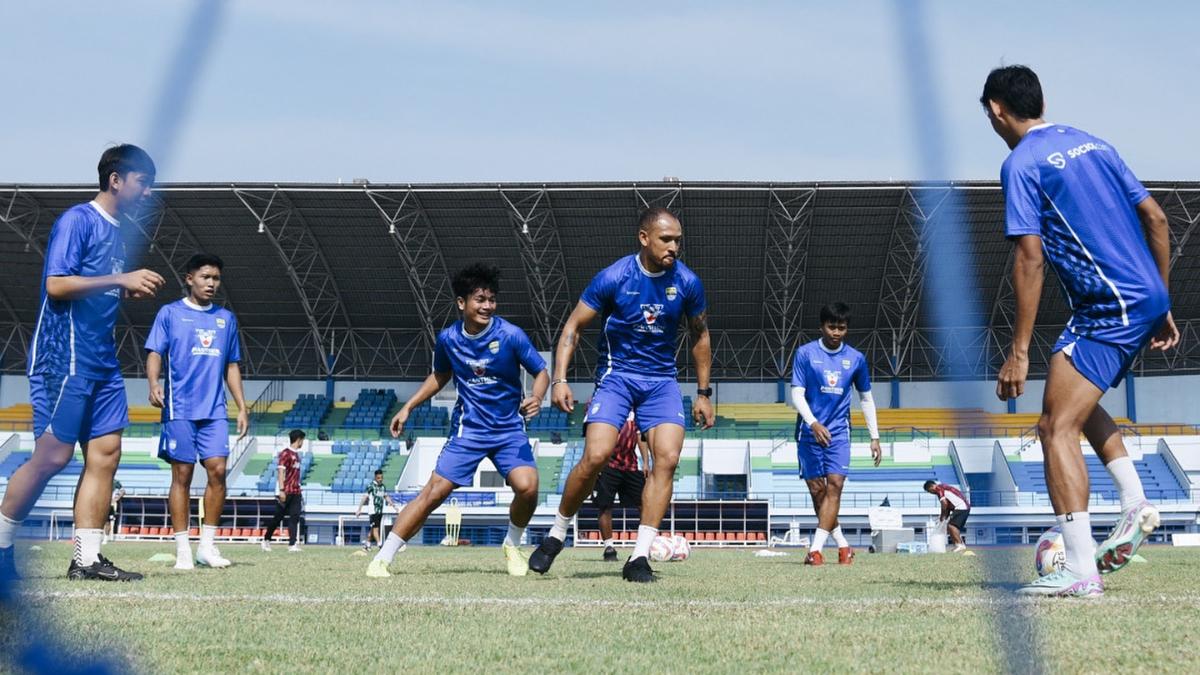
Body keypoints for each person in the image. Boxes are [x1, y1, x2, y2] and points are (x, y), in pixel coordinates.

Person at [983, 65, 1178, 597]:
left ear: (997, 109)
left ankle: (1079, 568)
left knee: (1054, 428)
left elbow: (1030, 260)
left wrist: (1018, 351)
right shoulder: (1095, 144)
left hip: (1105, 308)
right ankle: (1135, 502)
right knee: (1075, 400)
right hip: (1137, 299)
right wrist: (1159, 300)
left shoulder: (1021, 163)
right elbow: (1157, 220)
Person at [0, 144, 165, 582]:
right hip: (64, 358)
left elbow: (90, 286)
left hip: (102, 361)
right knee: (52, 458)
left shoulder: (118, 231)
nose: (148, 192)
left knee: (107, 454)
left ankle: (87, 559)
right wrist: (119, 278)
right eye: (142, 182)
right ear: (116, 179)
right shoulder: (78, 220)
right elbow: (56, 284)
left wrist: (119, 290)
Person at [529, 207, 714, 583]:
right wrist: (561, 379)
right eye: (666, 239)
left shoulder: (688, 283)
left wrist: (704, 392)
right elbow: (573, 326)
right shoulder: (614, 277)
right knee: (596, 455)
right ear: (644, 238)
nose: (674, 247)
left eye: (678, 239)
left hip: (661, 381)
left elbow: (700, 336)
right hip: (617, 378)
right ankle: (556, 534)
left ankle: (639, 557)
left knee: (668, 458)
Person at [367, 263, 549, 578]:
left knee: (528, 487)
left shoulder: (510, 335)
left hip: (508, 429)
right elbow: (440, 375)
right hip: (469, 430)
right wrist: (408, 407)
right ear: (462, 303)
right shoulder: (448, 339)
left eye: (492, 299)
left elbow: (541, 372)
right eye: (480, 299)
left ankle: (511, 545)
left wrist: (537, 396)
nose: (487, 306)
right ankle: (382, 558)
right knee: (433, 493)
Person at [145, 253, 248, 570]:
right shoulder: (170, 314)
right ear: (189, 278)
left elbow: (231, 365)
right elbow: (154, 352)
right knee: (183, 475)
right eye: (205, 277)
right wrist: (152, 383)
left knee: (217, 471)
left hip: (214, 410)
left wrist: (242, 407)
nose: (211, 283)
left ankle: (207, 546)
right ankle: (183, 550)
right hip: (180, 409)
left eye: (216, 278)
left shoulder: (225, 319)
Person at [789, 302, 880, 566]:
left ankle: (815, 550)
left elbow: (866, 399)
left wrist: (874, 437)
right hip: (808, 432)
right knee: (819, 492)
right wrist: (813, 423)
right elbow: (797, 393)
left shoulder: (856, 359)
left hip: (840, 432)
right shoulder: (805, 354)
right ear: (822, 326)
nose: (836, 332)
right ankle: (843, 545)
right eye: (832, 327)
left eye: (841, 328)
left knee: (835, 486)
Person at [594, 412, 650, 561]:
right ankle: (609, 547)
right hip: (607, 465)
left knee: (644, 505)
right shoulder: (608, 404)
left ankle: (644, 546)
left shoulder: (637, 409)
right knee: (605, 506)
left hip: (630, 465)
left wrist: (645, 462)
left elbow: (640, 436)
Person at [262, 430, 305, 552]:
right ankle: (266, 539)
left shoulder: (297, 455)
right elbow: (281, 472)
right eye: (302, 440)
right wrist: (281, 490)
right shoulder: (285, 453)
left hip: (296, 491)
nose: (302, 442)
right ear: (299, 440)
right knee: (278, 518)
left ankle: (292, 544)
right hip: (286, 491)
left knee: (295, 517)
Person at [355, 469, 397, 551]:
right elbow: (364, 497)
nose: (380, 479)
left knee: (373, 528)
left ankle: (367, 544)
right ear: (375, 477)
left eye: (381, 478)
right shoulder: (371, 486)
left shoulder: (383, 487)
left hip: (380, 511)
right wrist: (359, 509)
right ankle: (380, 545)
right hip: (373, 511)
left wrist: (393, 505)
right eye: (378, 478)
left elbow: (386, 496)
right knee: (376, 528)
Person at [924, 480, 970, 553]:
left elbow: (944, 504)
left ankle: (959, 545)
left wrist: (942, 516)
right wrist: (943, 517)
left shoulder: (939, 489)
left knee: (951, 526)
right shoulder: (943, 488)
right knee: (953, 526)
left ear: (932, 486)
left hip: (961, 507)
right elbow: (947, 506)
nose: (931, 493)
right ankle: (960, 544)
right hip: (963, 507)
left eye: (930, 491)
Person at [103, 480, 125, 545]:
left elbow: (123, 491)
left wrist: (116, 498)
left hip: (110, 504)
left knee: (107, 522)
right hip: (100, 503)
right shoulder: (100, 479)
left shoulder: (115, 482)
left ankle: (105, 539)